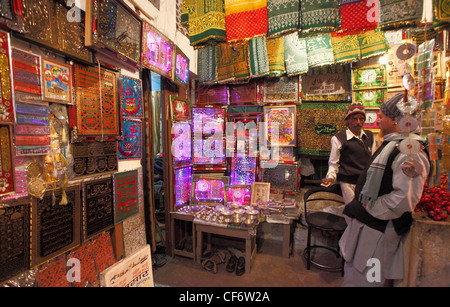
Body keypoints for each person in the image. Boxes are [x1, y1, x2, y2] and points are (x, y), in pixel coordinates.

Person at [339, 93, 430, 287]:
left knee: (368, 281)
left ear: (397, 121)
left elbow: (404, 199)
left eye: (381, 116)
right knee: (356, 275)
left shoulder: (409, 151)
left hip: (378, 232)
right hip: (370, 228)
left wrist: (370, 206)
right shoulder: (394, 145)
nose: (377, 121)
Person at [322, 103, 375, 205]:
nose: (358, 122)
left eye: (361, 119)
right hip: (348, 183)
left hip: (366, 182)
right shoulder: (338, 139)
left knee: (366, 209)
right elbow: (333, 163)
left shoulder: (369, 136)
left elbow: (373, 160)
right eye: (354, 119)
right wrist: (331, 177)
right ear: (348, 120)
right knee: (352, 210)